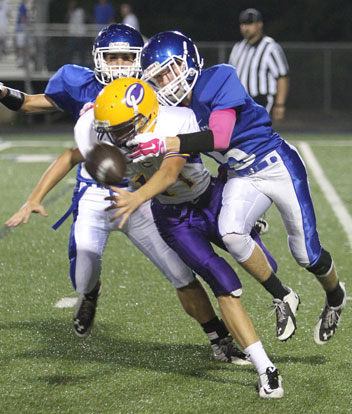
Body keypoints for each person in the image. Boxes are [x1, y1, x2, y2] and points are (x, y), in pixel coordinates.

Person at [2, 24, 250, 365]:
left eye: (126, 57)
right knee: (84, 272)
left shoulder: (157, 87)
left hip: (139, 192)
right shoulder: (81, 85)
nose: (119, 64)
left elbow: (185, 141)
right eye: (112, 56)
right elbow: (31, 105)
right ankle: (89, 292)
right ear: (98, 59)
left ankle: (219, 338)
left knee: (180, 273)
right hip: (93, 191)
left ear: (140, 59)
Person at [127, 30, 346, 345]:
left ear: (188, 61)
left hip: (276, 165)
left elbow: (220, 137)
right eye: (158, 78)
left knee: (305, 254)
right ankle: (283, 296)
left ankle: (336, 296)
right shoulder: (172, 112)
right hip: (240, 175)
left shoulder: (219, 78)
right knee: (230, 232)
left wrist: (167, 141)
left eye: (169, 70)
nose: (166, 82)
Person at [84, 77, 284, 398]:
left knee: (264, 264)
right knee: (223, 282)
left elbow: (170, 171)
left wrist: (136, 198)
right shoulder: (114, 142)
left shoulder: (176, 119)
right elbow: (80, 156)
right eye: (112, 129)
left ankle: (263, 256)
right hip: (175, 219)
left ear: (146, 114)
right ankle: (266, 368)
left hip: (210, 201)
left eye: (122, 128)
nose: (115, 136)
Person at [228, 8, 290, 123]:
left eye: (250, 24)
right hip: (240, 100)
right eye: (243, 24)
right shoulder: (238, 47)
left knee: (254, 134)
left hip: (261, 100)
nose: (246, 28)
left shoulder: (270, 47)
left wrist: (279, 104)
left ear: (259, 25)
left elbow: (282, 76)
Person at [66, 0, 87, 66]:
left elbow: (85, 19)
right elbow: (66, 19)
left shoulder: (80, 11)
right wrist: (69, 11)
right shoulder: (70, 12)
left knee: (82, 53)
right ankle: (69, 66)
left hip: (80, 34)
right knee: (70, 52)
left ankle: (83, 66)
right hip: (72, 34)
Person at [16, 0, 29, 67]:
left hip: (21, 27)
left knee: (22, 46)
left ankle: (21, 61)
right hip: (21, 28)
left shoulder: (23, 6)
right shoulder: (22, 6)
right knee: (21, 46)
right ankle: (20, 61)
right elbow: (22, 16)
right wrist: (24, 26)